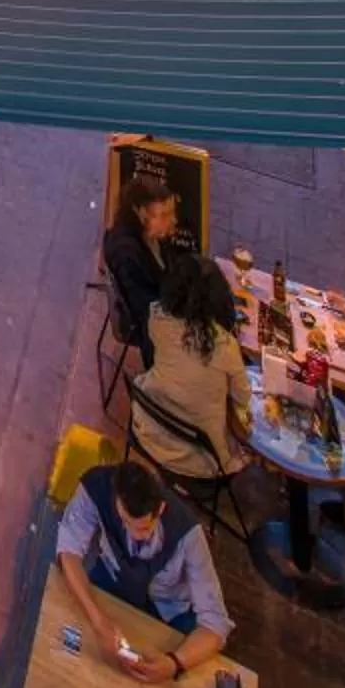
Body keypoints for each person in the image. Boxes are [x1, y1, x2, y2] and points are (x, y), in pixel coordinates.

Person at [56, 456, 232, 681]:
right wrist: (99, 620)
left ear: (160, 509)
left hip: (166, 606)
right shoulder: (97, 486)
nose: (132, 534)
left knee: (189, 674)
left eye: (143, 528)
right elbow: (68, 551)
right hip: (115, 576)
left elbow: (215, 624)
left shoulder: (188, 534)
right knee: (77, 648)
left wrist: (174, 663)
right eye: (124, 521)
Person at [139, 254, 267, 498]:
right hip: (200, 460)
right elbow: (243, 396)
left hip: (152, 429)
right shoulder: (224, 345)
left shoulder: (157, 318)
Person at [103, 173, 179, 366]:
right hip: (149, 328)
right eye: (163, 215)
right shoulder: (127, 254)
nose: (172, 220)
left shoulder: (153, 237)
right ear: (140, 212)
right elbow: (146, 311)